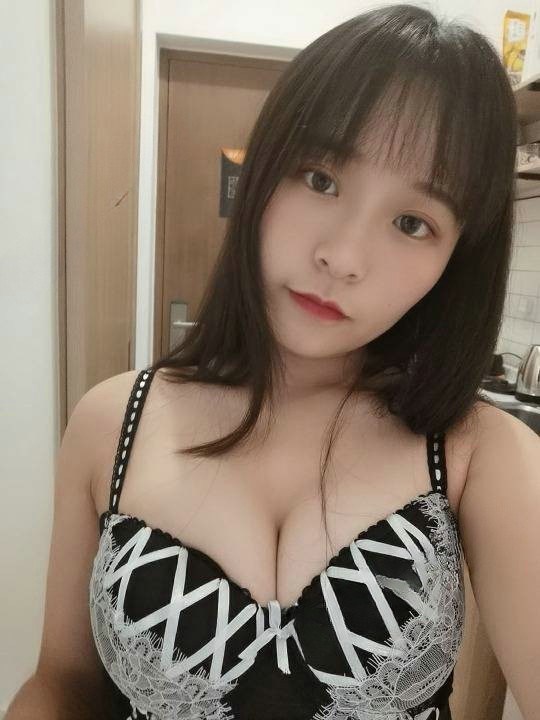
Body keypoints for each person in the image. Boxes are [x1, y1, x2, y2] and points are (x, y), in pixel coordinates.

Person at [7, 4, 540, 720]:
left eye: (412, 222)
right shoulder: (111, 422)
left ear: (456, 261)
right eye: (320, 179)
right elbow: (62, 684)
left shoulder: (481, 454)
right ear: (261, 171)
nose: (342, 257)